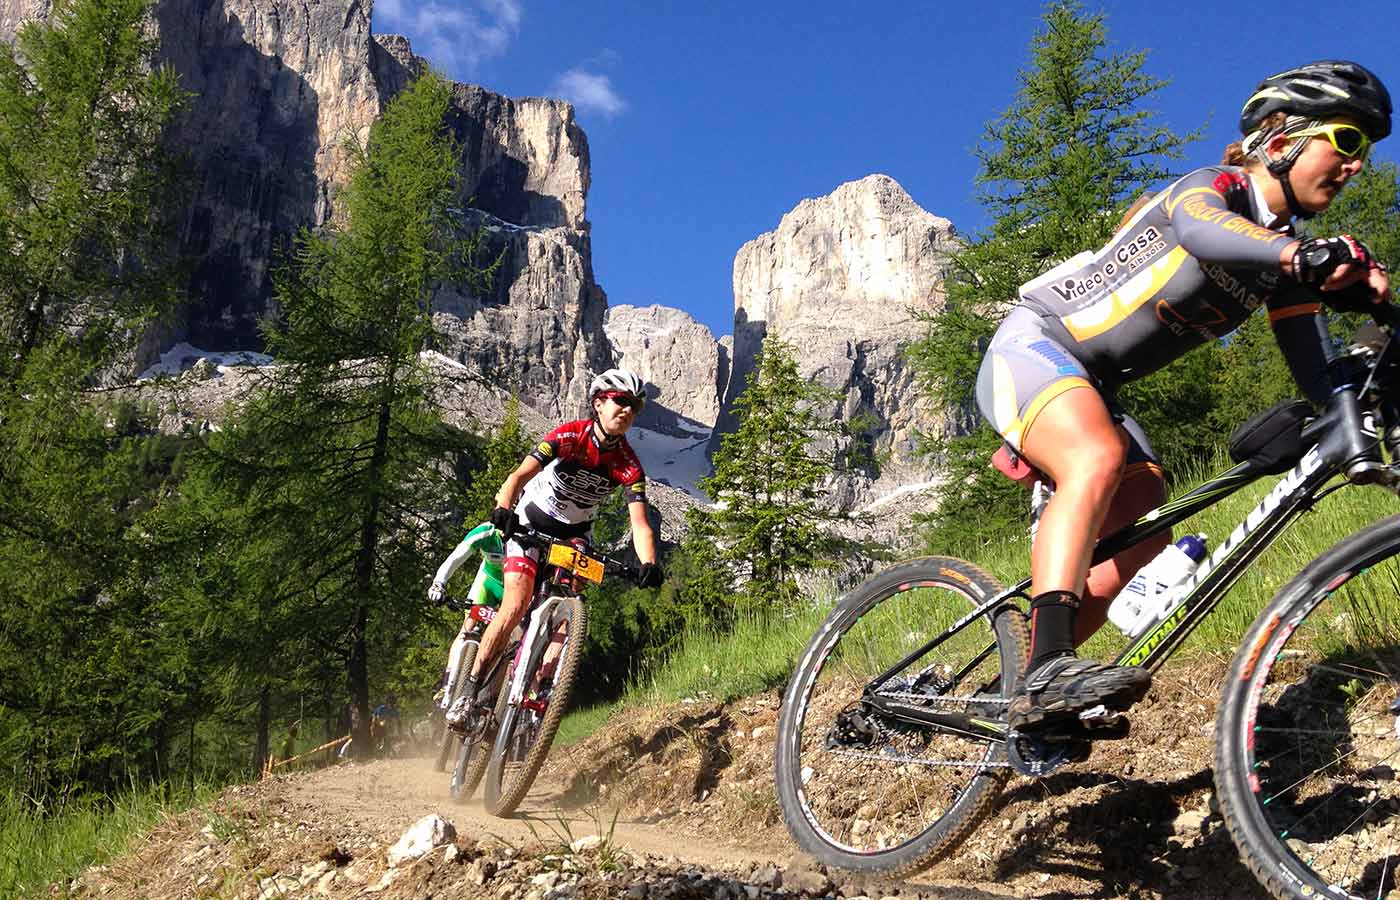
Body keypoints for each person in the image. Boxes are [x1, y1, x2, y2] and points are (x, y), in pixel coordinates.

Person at [974, 60, 1392, 731]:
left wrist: (1377, 350)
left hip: (1096, 385)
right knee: (1096, 459)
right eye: (1345, 141)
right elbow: (1200, 229)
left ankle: (1012, 696)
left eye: (1365, 152)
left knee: (1138, 551)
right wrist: (1302, 260)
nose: (1355, 165)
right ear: (1280, 136)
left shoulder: (1282, 262)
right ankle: (1049, 664)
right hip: (1036, 344)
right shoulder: (1213, 191)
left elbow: (1317, 377)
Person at [443, 368, 666, 729]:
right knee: (515, 603)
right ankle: (469, 692)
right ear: (599, 403)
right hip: (531, 523)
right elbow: (518, 477)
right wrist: (504, 508)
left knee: (572, 608)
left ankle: (540, 683)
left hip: (575, 536)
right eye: (621, 402)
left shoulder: (629, 465)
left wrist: (648, 563)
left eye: (635, 407)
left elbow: (639, 523)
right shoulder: (570, 435)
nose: (627, 411)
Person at [427, 521, 506, 715]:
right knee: (467, 629)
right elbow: (457, 556)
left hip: (512, 591)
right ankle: (447, 684)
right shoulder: (487, 532)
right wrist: (439, 583)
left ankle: (492, 699)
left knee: (507, 643)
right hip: (487, 583)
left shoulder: (528, 535)